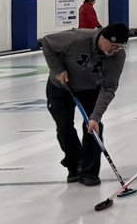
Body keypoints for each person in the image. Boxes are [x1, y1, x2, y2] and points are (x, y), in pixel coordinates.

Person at [40, 23, 128, 186]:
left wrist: (95, 116)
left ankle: (89, 171)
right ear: (103, 38)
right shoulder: (76, 38)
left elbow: (109, 87)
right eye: (114, 46)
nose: (115, 50)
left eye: (120, 47)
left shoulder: (117, 56)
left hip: (90, 89)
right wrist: (58, 69)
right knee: (64, 126)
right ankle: (74, 166)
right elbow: (47, 42)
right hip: (61, 86)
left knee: (93, 127)